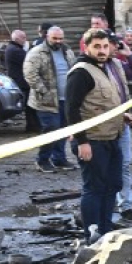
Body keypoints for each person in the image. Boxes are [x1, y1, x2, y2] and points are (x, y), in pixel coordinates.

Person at [65, 29, 130, 241]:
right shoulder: (81, 72)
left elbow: (103, 103)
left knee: (112, 185)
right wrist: (82, 142)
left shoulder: (106, 68)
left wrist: (123, 116)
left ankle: (105, 229)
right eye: (97, 47)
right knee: (93, 189)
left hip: (111, 138)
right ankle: (91, 235)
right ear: (86, 47)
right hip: (92, 141)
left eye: (104, 46)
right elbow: (71, 110)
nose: (102, 51)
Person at [23, 25, 77, 172]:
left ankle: (59, 159)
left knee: (64, 130)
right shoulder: (36, 53)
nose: (58, 41)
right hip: (46, 101)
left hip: (65, 99)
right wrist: (44, 91)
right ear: (47, 36)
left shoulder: (67, 51)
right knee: (51, 129)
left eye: (61, 38)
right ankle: (42, 160)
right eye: (55, 38)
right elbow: (30, 75)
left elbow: (74, 69)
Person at [109, 33, 132, 225]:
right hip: (103, 126)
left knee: (124, 165)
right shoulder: (89, 69)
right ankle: (106, 209)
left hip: (122, 123)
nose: (112, 49)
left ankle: (126, 206)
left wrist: (129, 55)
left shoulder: (117, 64)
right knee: (106, 167)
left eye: (115, 46)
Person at [3, 30, 38, 132]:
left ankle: (32, 125)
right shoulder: (15, 50)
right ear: (16, 39)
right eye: (23, 38)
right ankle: (32, 126)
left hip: (20, 80)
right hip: (20, 81)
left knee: (29, 105)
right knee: (29, 105)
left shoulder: (14, 48)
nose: (25, 40)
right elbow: (29, 60)